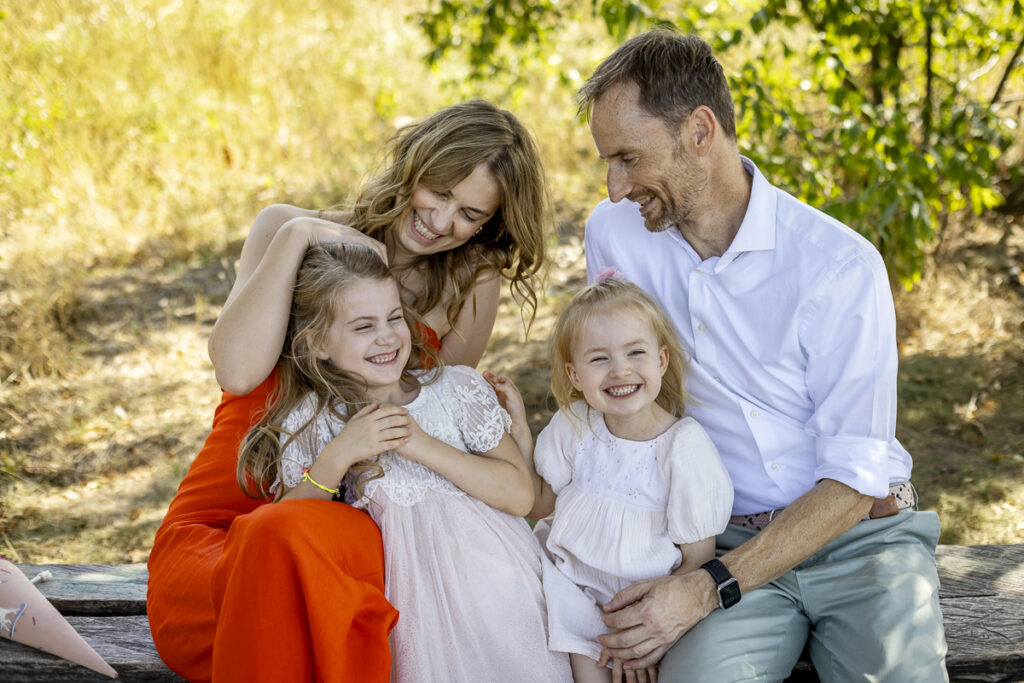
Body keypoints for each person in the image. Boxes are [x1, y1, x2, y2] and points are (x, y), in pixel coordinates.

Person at [578, 29, 949, 682]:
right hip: (717, 537)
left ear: (700, 131)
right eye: (608, 161)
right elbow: (618, 397)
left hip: (858, 538)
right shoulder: (616, 236)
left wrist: (706, 587)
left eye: (629, 159)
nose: (614, 187)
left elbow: (856, 477)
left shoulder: (838, 267)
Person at [146, 99, 550, 682]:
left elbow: (434, 424)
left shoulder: (470, 280)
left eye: (469, 214)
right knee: (274, 540)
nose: (440, 222)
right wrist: (300, 235)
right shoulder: (285, 228)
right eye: (437, 191)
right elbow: (237, 374)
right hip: (235, 505)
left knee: (326, 572)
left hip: (356, 519)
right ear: (413, 163)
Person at [238, 242, 571, 682]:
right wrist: (338, 456)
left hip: (503, 591)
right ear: (318, 342)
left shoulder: (456, 389)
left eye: (394, 317)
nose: (387, 336)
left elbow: (519, 494)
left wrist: (422, 444)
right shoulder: (316, 419)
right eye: (363, 326)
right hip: (414, 608)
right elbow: (287, 530)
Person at [487, 276, 733, 683]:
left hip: (642, 608)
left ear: (661, 361)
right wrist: (521, 432)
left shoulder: (682, 448)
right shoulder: (576, 424)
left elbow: (696, 559)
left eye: (635, 353)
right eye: (599, 359)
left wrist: (643, 632)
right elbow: (540, 503)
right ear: (575, 375)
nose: (620, 371)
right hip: (569, 587)